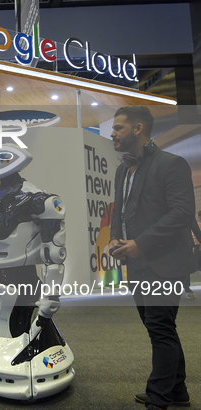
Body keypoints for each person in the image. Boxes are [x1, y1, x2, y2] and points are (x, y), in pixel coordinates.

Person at [108, 106, 196, 410]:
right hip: (137, 264)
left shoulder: (172, 164)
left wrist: (140, 244)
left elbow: (182, 213)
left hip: (166, 262)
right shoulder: (123, 169)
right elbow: (119, 210)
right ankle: (179, 391)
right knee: (158, 327)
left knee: (160, 328)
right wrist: (115, 238)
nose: (112, 133)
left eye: (118, 128)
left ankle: (158, 400)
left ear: (138, 128)